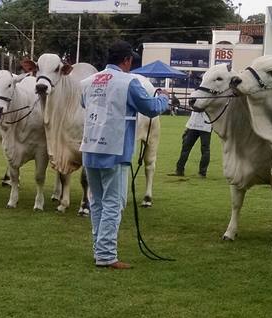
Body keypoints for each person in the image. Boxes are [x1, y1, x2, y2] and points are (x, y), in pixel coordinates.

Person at [80, 40, 170, 269]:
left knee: (97, 203)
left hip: (90, 148)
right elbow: (150, 108)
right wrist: (164, 98)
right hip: (115, 150)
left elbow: (85, 103)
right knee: (113, 204)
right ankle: (107, 255)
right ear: (127, 60)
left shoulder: (88, 82)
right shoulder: (129, 82)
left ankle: (99, 250)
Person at [171, 111, 212, 177]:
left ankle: (202, 172)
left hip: (204, 124)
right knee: (187, 147)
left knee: (204, 149)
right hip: (195, 124)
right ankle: (180, 170)